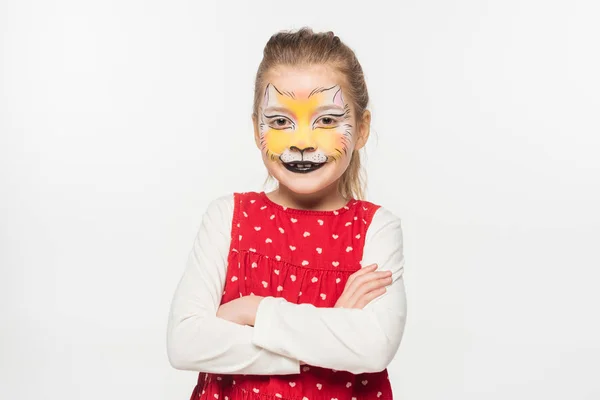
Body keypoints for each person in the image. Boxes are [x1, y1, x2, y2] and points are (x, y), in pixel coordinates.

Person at [167, 27, 407, 400]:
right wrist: (330, 332)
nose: (301, 141)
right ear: (255, 128)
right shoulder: (228, 217)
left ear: (362, 129)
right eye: (280, 122)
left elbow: (373, 347)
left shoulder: (376, 228)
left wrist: (253, 309)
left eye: (327, 120)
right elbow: (185, 343)